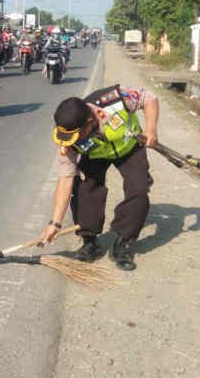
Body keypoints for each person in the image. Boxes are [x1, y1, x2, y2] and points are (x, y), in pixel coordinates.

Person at [38, 85, 160, 271]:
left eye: (76, 136)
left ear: (89, 122)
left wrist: (151, 128)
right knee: (84, 189)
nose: (72, 142)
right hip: (96, 155)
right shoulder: (69, 142)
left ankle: (123, 242)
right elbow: (65, 179)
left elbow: (149, 98)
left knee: (139, 190)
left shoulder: (115, 100)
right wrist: (55, 223)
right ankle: (90, 242)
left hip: (129, 148)